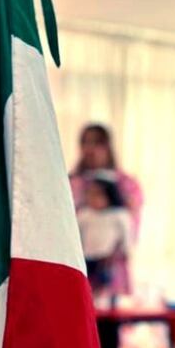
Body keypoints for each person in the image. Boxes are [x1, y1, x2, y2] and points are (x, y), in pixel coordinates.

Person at [69, 124, 143, 293]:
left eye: (97, 143)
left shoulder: (126, 184)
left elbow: (131, 227)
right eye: (86, 143)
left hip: (112, 267)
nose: (91, 149)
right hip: (78, 264)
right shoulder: (70, 183)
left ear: (107, 147)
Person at [78, 172, 133, 299]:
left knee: (107, 285)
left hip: (108, 258)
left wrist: (126, 251)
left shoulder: (119, 215)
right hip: (87, 256)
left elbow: (126, 236)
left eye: (97, 194)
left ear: (110, 195)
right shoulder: (84, 214)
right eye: (90, 194)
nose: (92, 198)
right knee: (87, 285)